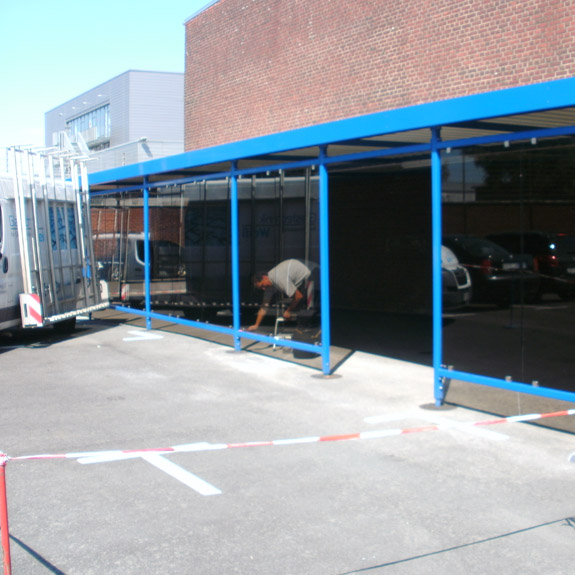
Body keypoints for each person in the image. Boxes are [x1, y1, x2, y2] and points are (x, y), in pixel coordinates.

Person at [247, 259, 313, 331]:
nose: (264, 289)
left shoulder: (278, 278)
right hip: (302, 277)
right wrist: (256, 325)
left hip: (311, 274)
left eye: (263, 285)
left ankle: (305, 330)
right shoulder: (270, 284)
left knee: (304, 307)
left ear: (264, 277)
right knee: (295, 306)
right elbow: (264, 306)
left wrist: (288, 311)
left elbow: (298, 296)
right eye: (261, 288)